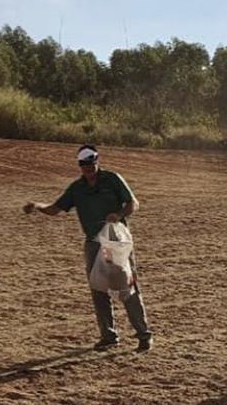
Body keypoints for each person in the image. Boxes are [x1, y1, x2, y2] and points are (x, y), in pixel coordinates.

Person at [24, 144, 153, 352]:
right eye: (84, 165)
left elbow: (133, 203)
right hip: (93, 243)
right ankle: (109, 336)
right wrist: (38, 206)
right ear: (79, 166)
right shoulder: (77, 188)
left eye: (91, 164)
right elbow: (56, 209)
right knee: (98, 289)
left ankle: (144, 335)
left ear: (97, 161)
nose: (88, 169)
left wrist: (119, 215)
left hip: (116, 242)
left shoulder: (112, 179)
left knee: (126, 287)